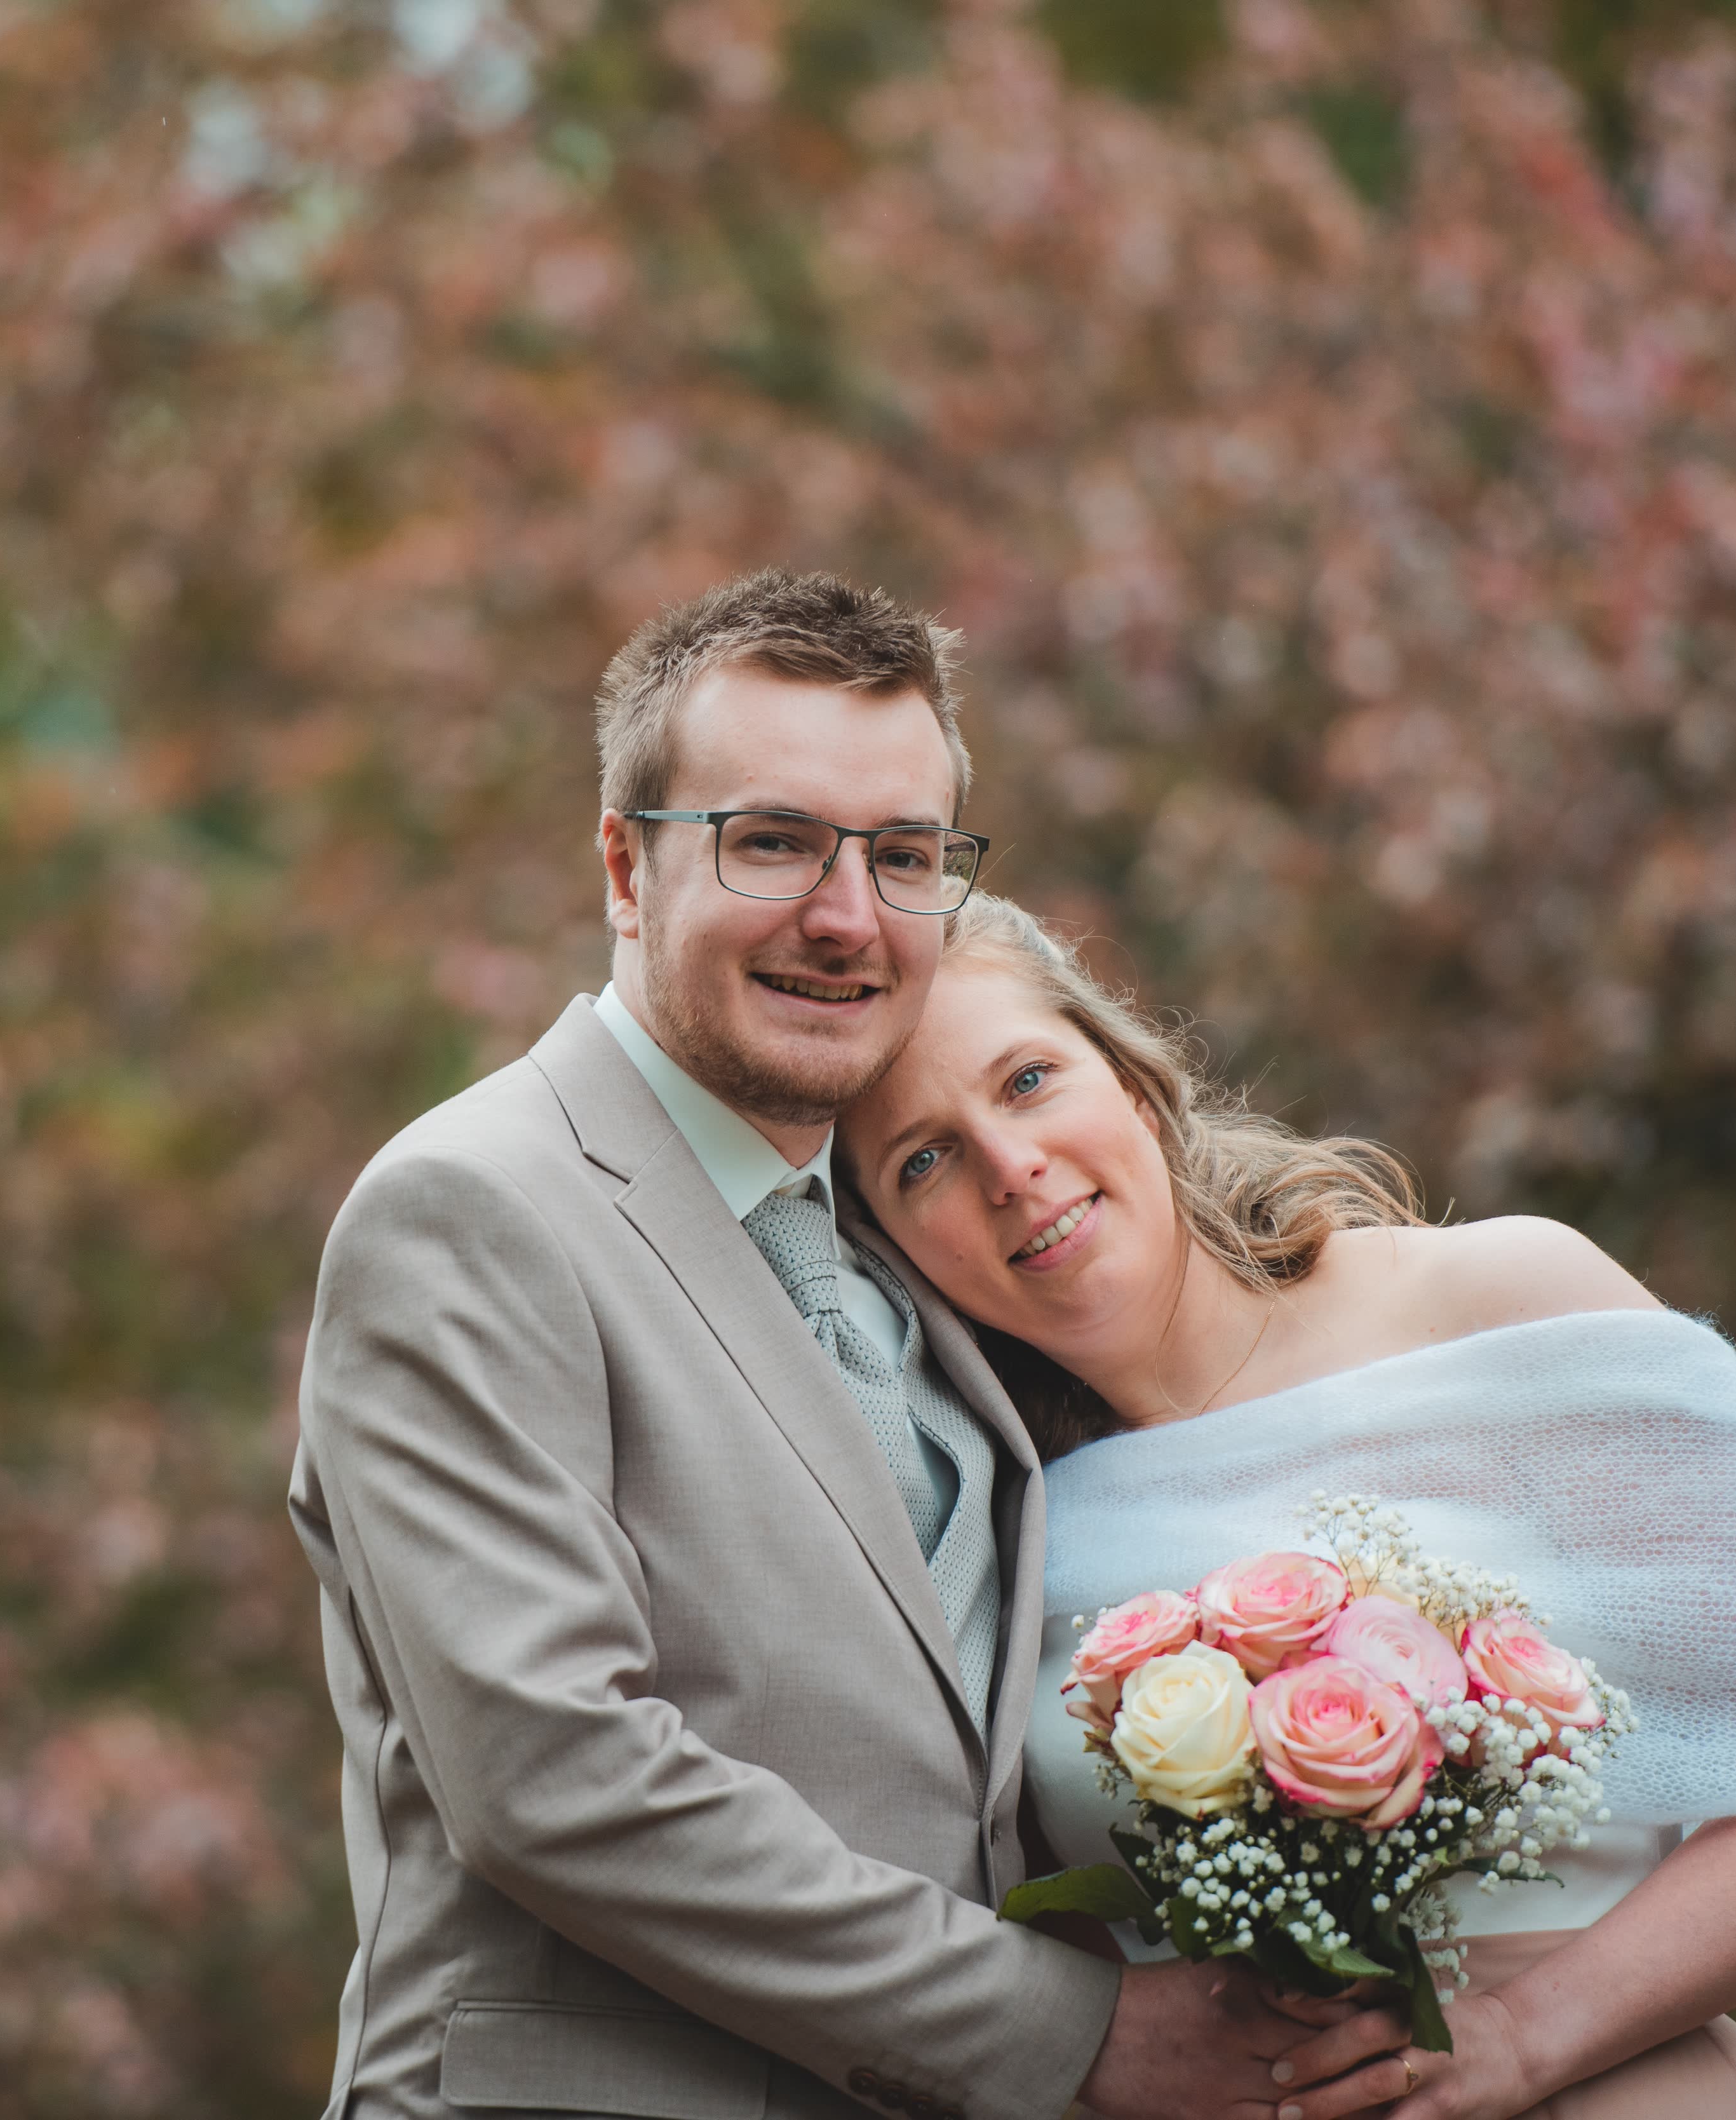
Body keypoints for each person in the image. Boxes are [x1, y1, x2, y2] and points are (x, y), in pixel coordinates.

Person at [288, 572, 1403, 2120]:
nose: (846, 916)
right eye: (772, 842)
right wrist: (1072, 2033)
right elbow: (554, 1779)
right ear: (624, 866)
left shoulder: (917, 1232)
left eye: (903, 856)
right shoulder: (473, 1211)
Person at [838, 893, 1736, 2120]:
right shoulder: (989, 1524)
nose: (1009, 1167)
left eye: (1030, 1080)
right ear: (894, 1249)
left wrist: (1520, 2036)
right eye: (922, 1160)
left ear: (1133, 1083)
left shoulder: (1507, 1304)